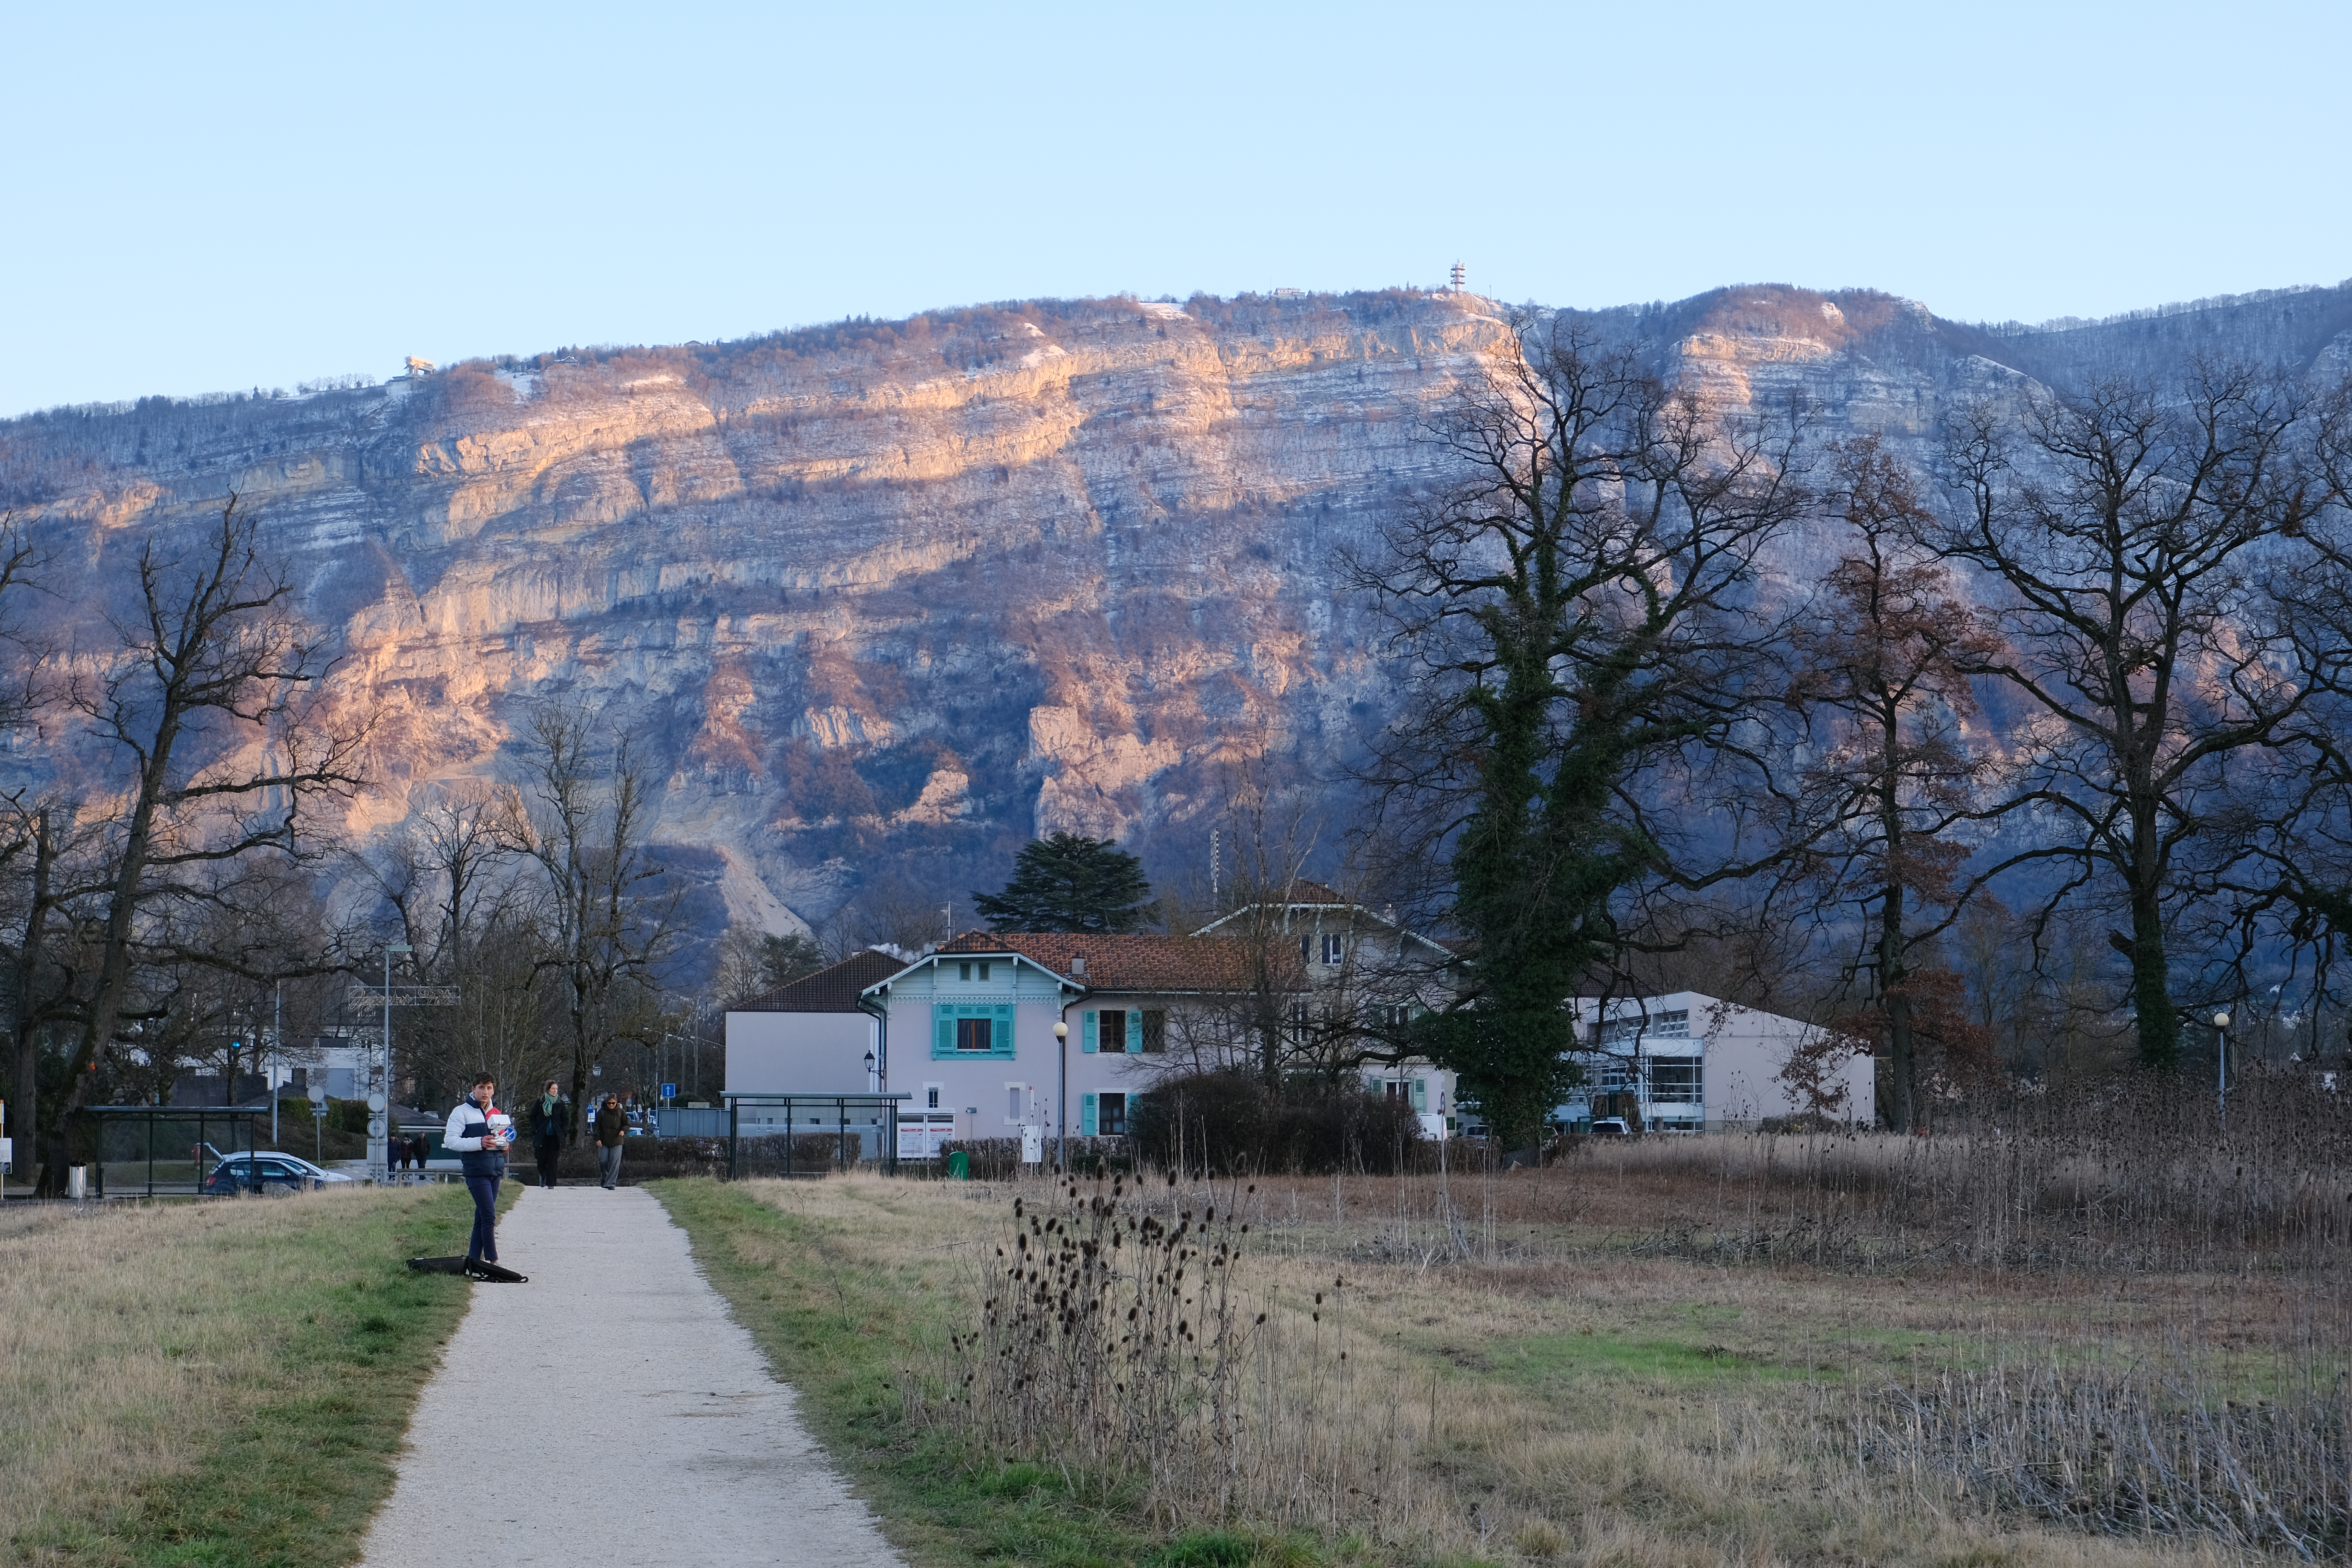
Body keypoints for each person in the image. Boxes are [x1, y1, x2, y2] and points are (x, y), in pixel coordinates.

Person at [444, 1073, 513, 1264]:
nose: (486, 1092)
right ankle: (493, 1261)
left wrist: (504, 1145)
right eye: (482, 1087)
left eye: (489, 1088)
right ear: (473, 1089)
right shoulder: (461, 1112)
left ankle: (473, 1262)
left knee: (481, 1218)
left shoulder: (497, 1114)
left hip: (495, 1171)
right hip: (476, 1172)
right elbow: (450, 1141)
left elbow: (504, 1144)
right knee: (489, 1216)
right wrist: (479, 1142)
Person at [529, 1080, 571, 1189]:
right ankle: (544, 1176)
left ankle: (551, 1183)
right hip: (542, 1135)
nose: (555, 1091)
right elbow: (533, 1117)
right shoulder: (540, 1102)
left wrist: (564, 1131)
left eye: (557, 1089)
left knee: (553, 1160)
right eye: (553, 1089)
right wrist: (535, 1130)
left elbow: (565, 1119)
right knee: (541, 1159)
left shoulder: (560, 1103)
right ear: (548, 1090)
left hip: (555, 1136)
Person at [593, 1094, 626, 1189]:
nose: (611, 1105)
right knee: (603, 1161)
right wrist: (597, 1139)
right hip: (604, 1142)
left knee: (615, 1163)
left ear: (617, 1103)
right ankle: (605, 1178)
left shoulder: (621, 1112)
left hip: (617, 1141)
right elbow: (596, 1127)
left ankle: (611, 1183)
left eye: (613, 1103)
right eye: (609, 1103)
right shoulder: (601, 1113)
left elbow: (627, 1124)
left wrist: (623, 1131)